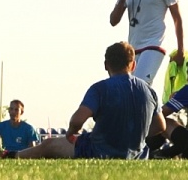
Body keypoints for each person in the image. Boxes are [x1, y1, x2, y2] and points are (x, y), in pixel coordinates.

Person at [16, 42, 165, 159]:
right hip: (136, 154)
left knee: (49, 144)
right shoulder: (149, 91)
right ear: (133, 65)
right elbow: (160, 126)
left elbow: (77, 121)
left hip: (98, 150)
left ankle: (12, 155)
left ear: (106, 65)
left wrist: (70, 133)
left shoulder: (100, 89)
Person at [109, 0, 185, 90]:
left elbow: (177, 18)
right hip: (132, 47)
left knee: (140, 86)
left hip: (154, 44)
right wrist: (122, 1)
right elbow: (113, 21)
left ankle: (153, 112)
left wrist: (181, 49)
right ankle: (153, 112)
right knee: (128, 89)